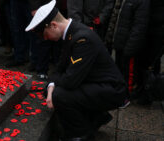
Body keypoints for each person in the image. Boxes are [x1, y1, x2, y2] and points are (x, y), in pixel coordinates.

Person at [25, 0, 127, 140]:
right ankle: (96, 117)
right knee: (52, 90)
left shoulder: (82, 38)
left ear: (53, 25)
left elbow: (70, 81)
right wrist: (50, 85)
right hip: (95, 83)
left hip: (111, 89)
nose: (45, 38)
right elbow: (59, 68)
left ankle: (80, 135)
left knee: (59, 95)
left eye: (44, 34)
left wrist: (53, 86)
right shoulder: (71, 33)